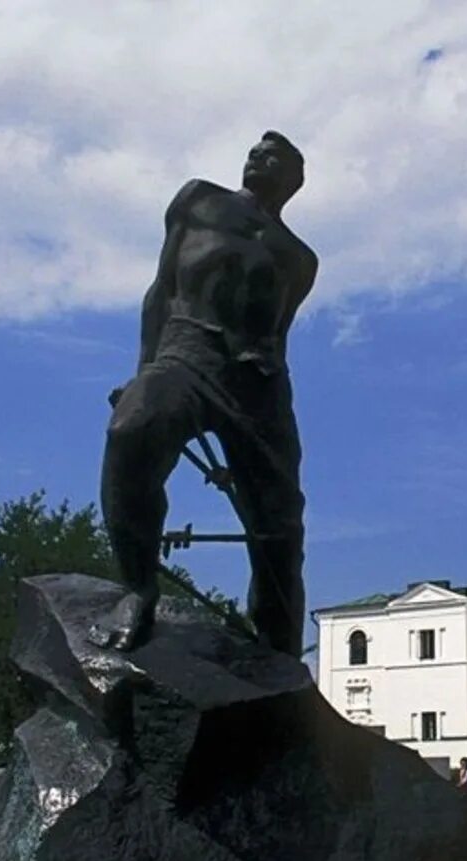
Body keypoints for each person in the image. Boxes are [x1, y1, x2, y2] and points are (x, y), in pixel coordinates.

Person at [93, 131, 320, 656]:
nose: (256, 158)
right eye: (254, 151)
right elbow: (161, 290)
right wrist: (142, 373)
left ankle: (280, 651)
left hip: (258, 383)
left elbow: (279, 329)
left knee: (280, 525)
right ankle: (138, 588)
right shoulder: (199, 200)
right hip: (187, 352)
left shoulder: (299, 258)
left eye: (273, 156)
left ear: (294, 180)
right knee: (132, 431)